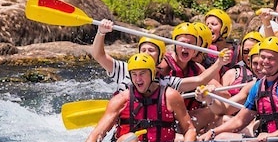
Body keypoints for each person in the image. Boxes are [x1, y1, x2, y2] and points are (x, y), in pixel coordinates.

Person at [198, 37, 278, 142]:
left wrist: (272, 135)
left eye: (271, 58)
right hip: (266, 141)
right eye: (262, 57)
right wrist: (213, 132)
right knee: (221, 137)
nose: (265, 61)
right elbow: (239, 120)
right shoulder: (258, 86)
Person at [79, 53, 196, 142]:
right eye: (134, 74)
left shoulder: (170, 96)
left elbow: (189, 129)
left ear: (153, 73)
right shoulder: (120, 100)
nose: (138, 79)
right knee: (131, 139)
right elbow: (98, 132)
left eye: (142, 73)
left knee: (181, 140)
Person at [90, 19, 230, 93]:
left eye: (151, 50)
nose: (146, 53)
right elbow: (98, 55)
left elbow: (199, 80)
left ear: (160, 57)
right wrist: (101, 33)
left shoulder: (165, 82)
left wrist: (219, 63)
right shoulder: (124, 70)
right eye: (143, 50)